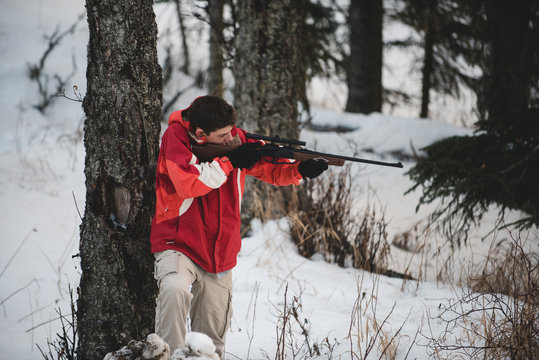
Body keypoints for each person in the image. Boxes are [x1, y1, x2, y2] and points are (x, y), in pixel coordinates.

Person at [150, 95, 328, 358]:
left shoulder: (237, 140)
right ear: (200, 133)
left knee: (212, 342)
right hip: (178, 242)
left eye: (231, 132)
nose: (230, 139)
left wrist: (299, 169)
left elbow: (272, 167)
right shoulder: (175, 137)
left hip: (220, 251)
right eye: (222, 136)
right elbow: (188, 182)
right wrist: (231, 161)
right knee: (174, 290)